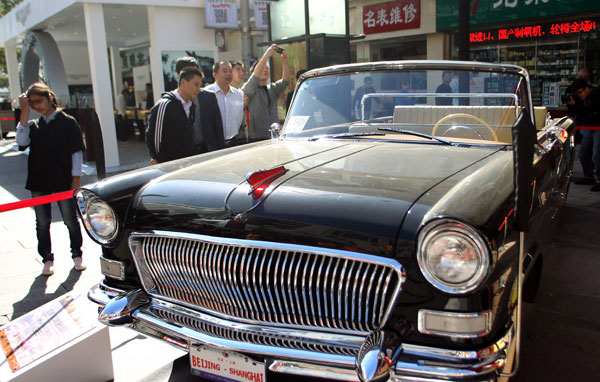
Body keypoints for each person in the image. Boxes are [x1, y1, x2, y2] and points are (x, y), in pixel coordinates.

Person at [15, 83, 87, 276]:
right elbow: (21, 141)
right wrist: (24, 112)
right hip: (39, 179)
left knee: (70, 220)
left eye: (39, 101)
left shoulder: (68, 122)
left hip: (62, 178)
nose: (36, 106)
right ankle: (47, 258)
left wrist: (76, 177)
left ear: (49, 98)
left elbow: (76, 151)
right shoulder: (33, 125)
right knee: (42, 222)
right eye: (32, 103)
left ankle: (77, 254)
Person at [145, 66, 203, 163]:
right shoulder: (165, 105)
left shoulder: (191, 106)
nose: (199, 89)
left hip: (187, 164)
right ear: (183, 82)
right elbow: (153, 136)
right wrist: (157, 158)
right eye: (196, 85)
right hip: (168, 165)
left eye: (200, 85)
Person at [174, 56, 224, 152]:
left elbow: (217, 127)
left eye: (195, 71)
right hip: (186, 152)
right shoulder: (172, 101)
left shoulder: (209, 97)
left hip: (208, 150)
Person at [242, 44, 290, 141]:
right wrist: (266, 55)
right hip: (256, 137)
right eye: (262, 67)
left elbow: (285, 81)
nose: (265, 70)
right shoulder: (250, 88)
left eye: (267, 68)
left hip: (274, 135)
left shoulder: (272, 88)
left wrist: (284, 62)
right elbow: (256, 76)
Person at [569, 79, 600, 191]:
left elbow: (591, 109)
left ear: (588, 88)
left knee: (597, 155)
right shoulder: (581, 99)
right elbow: (581, 112)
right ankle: (588, 177)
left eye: (581, 91)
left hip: (597, 128)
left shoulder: (597, 94)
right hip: (589, 128)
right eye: (578, 93)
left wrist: (578, 104)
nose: (580, 95)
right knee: (583, 153)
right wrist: (574, 104)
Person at [205, 61, 245, 148]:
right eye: (224, 71)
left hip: (234, 142)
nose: (228, 74)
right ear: (215, 74)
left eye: (230, 71)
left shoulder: (238, 94)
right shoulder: (207, 93)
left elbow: (239, 120)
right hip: (214, 144)